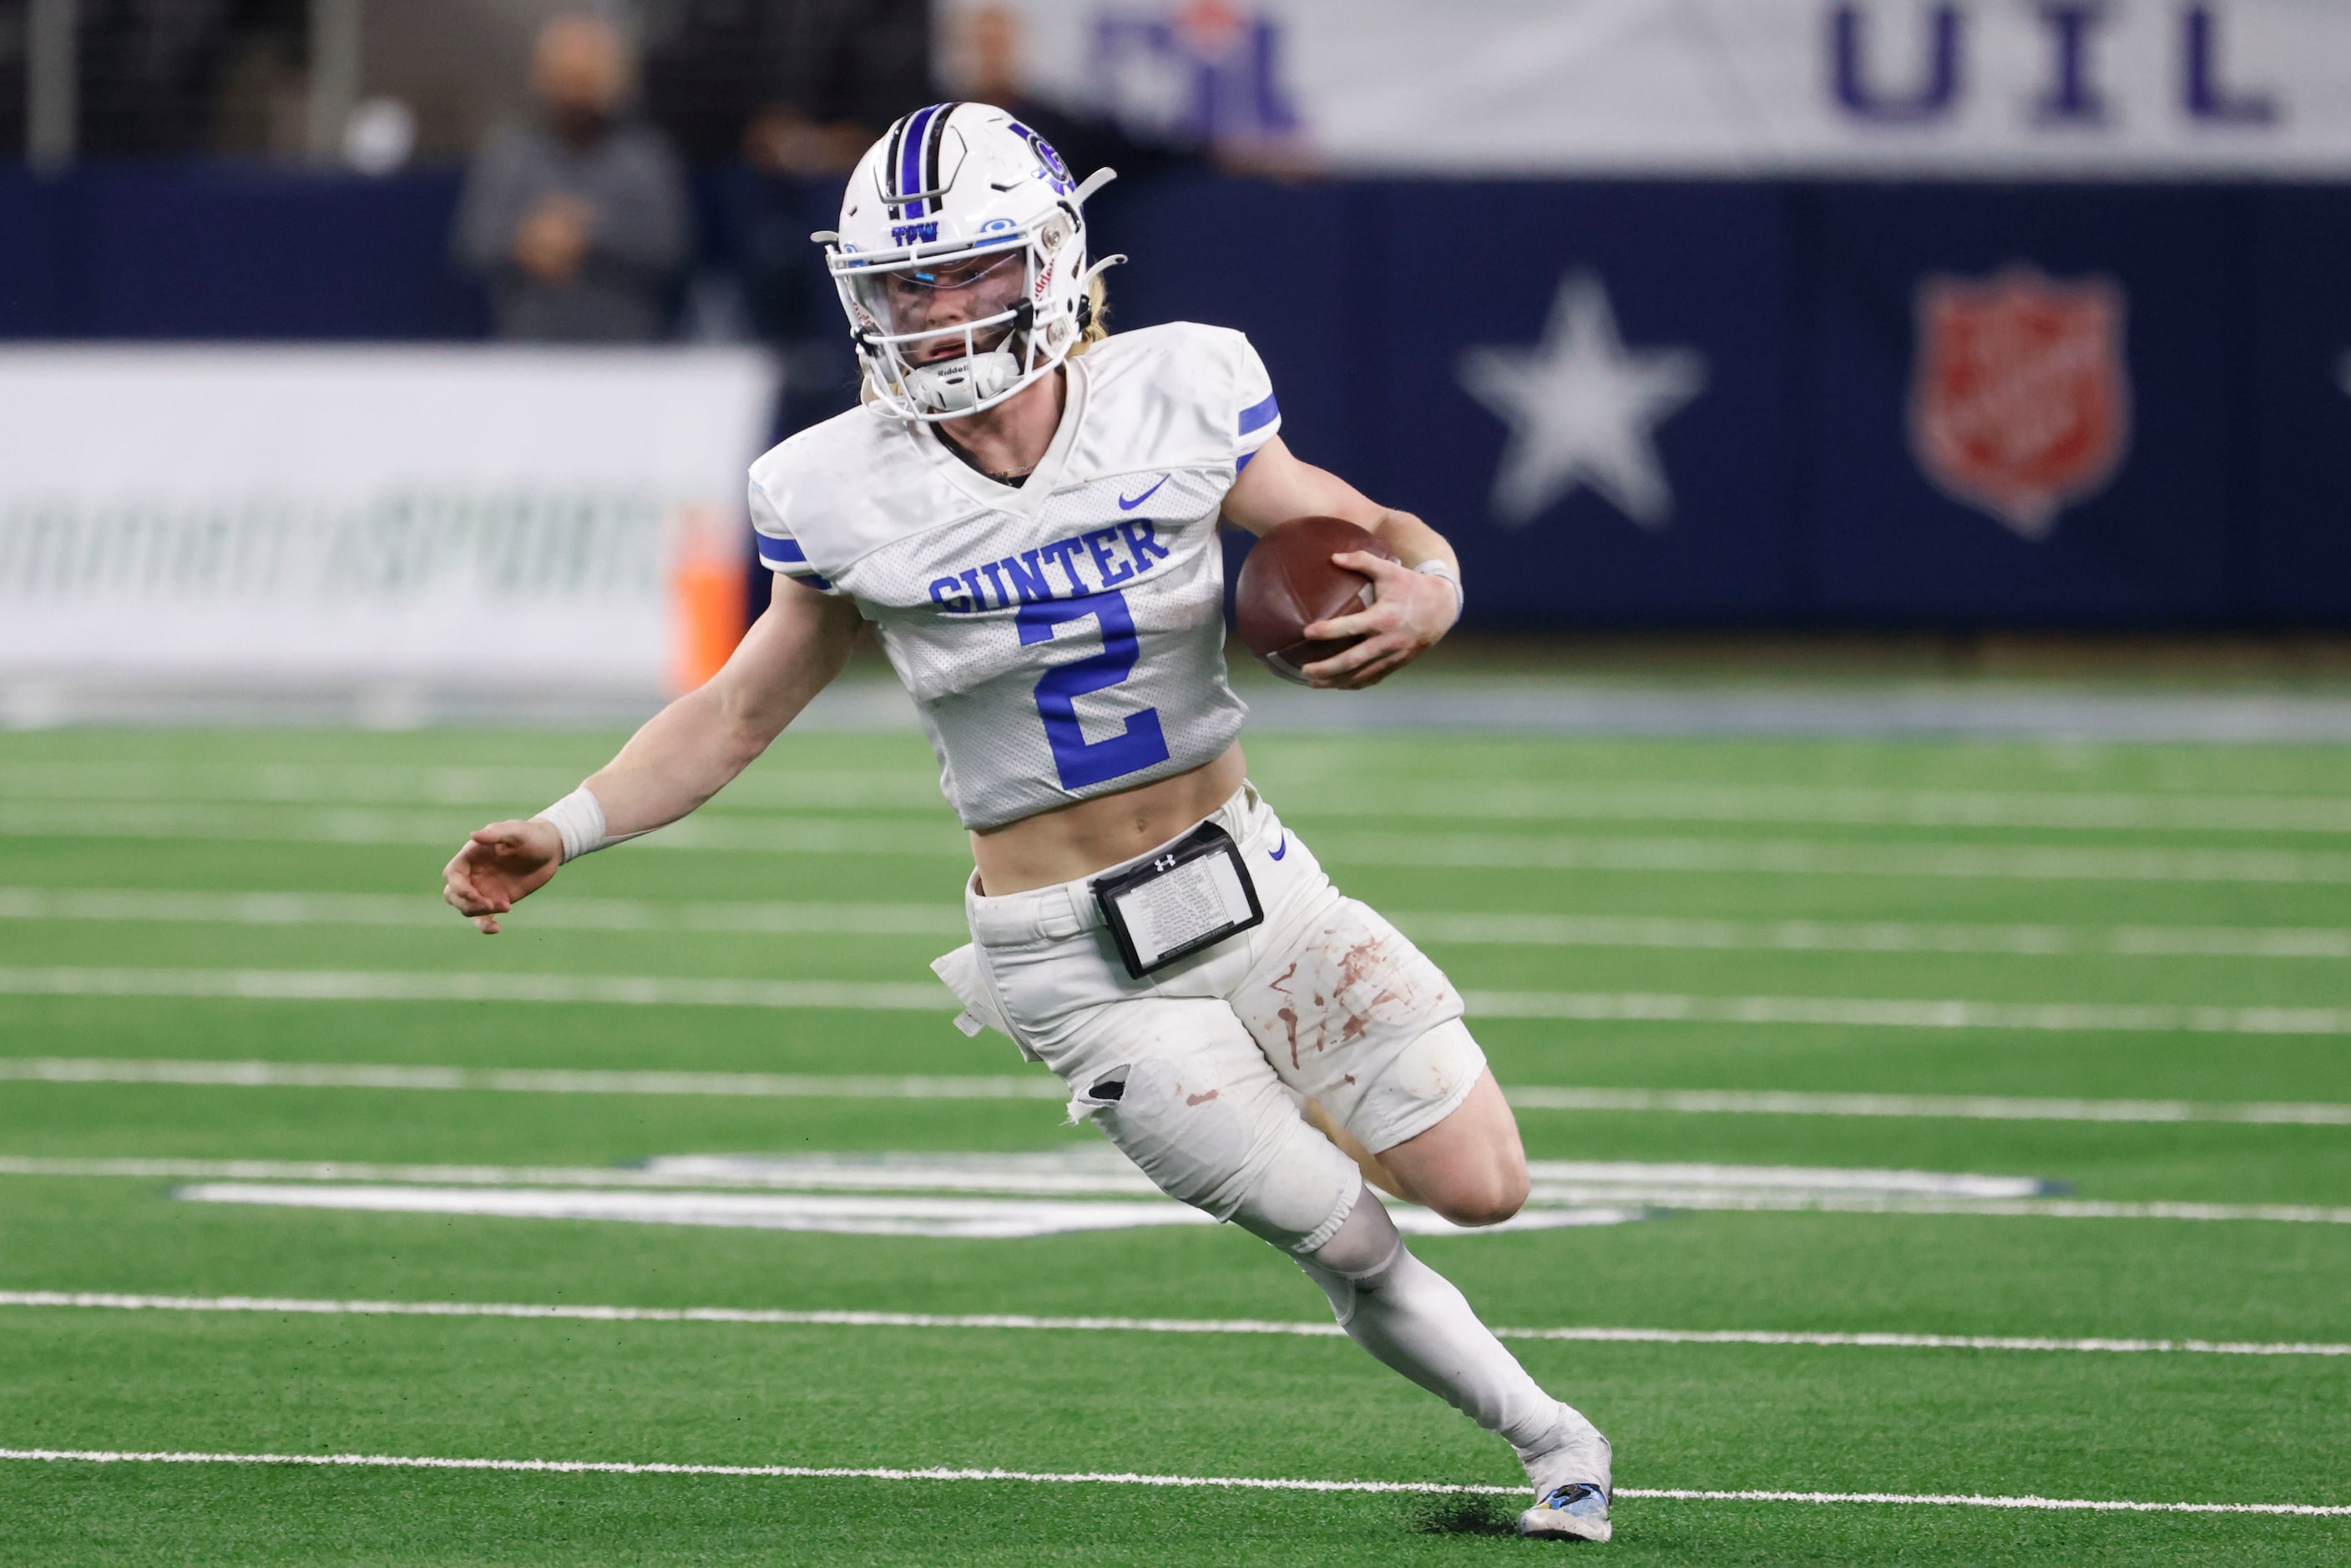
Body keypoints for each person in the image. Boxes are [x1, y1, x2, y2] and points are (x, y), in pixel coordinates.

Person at [440, 101, 1613, 1544]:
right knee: (1345, 1233)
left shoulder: (1176, 390)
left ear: (1053, 258)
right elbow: (734, 712)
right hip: (1077, 955)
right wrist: (564, 827)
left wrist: (1430, 582)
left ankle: (1288, 1098)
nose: (933, 310)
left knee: (1485, 1185)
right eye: (905, 282)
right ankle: (1559, 1448)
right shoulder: (839, 484)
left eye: (967, 270)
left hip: (1257, 882)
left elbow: (1366, 528)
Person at [452, 13, 690, 342]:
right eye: (566, 79)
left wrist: (588, 235)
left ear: (616, 80)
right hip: (528, 348)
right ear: (541, 76)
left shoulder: (645, 158)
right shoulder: (509, 155)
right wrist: (526, 240)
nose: (575, 95)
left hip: (628, 355)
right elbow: (473, 245)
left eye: (586, 80)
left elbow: (671, 248)